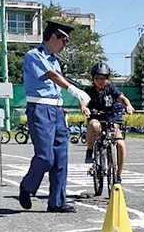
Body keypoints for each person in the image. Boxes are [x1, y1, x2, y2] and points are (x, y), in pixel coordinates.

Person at [19, 20, 90, 213]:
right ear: (53, 37)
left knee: (61, 157)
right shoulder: (34, 55)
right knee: (45, 157)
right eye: (64, 40)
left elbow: (57, 83)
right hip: (40, 109)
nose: (65, 45)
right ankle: (27, 186)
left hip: (57, 110)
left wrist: (80, 101)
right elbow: (52, 76)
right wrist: (74, 90)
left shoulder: (54, 59)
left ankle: (57, 201)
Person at [81, 61, 134, 183]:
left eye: (104, 78)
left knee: (120, 144)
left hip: (110, 119)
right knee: (93, 125)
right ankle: (90, 151)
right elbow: (83, 101)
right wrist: (84, 108)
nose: (101, 81)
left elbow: (122, 98)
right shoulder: (88, 91)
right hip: (96, 118)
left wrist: (128, 105)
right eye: (98, 78)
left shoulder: (111, 89)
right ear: (93, 79)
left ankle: (118, 175)